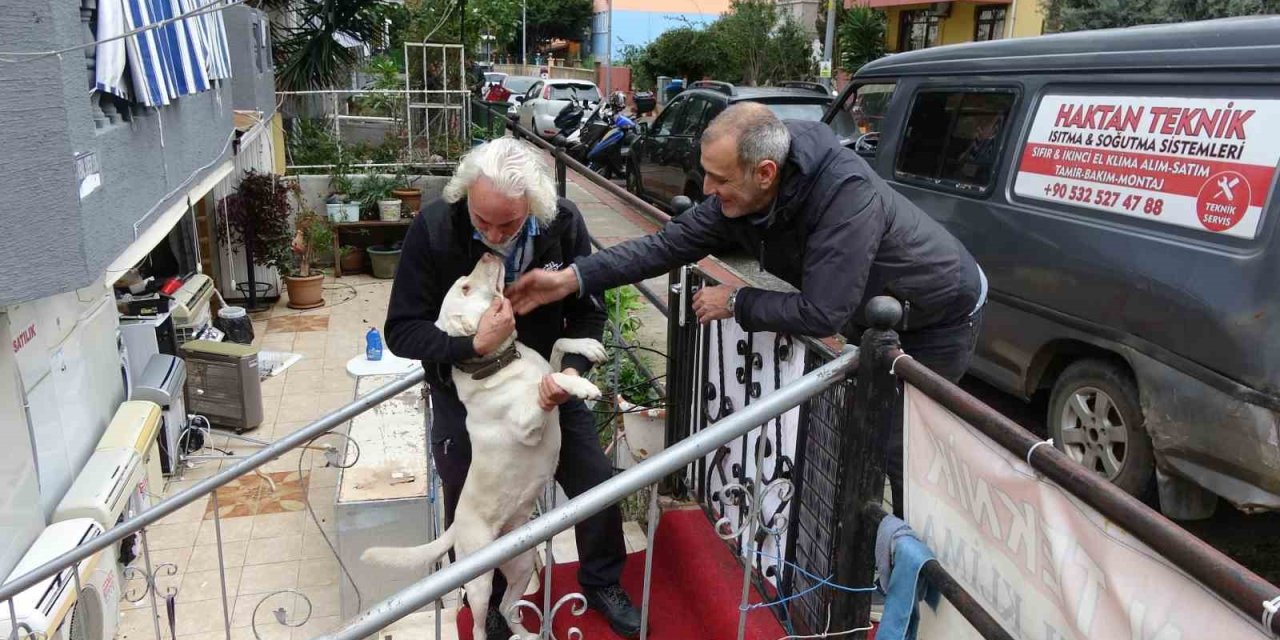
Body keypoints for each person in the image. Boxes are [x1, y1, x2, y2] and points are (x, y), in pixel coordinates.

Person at [507, 103, 988, 517]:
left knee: (899, 448)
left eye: (719, 179)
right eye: (707, 173)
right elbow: (665, 246)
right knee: (858, 435)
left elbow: (822, 312)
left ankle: (911, 566)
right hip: (873, 313)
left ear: (765, 173)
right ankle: (858, 546)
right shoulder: (743, 191)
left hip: (937, 316)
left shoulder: (845, 193)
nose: (707, 189)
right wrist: (571, 278)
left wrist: (738, 300)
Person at [384, 138, 643, 638]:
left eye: (509, 224)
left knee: (596, 480)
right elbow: (401, 330)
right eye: (482, 221)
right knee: (471, 494)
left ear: (535, 207)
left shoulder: (563, 222)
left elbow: (588, 312)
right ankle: (488, 603)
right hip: (472, 394)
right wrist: (472, 345)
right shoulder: (435, 228)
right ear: (466, 196)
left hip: (546, 378)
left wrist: (571, 377)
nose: (494, 235)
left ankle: (602, 581)